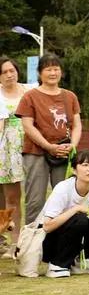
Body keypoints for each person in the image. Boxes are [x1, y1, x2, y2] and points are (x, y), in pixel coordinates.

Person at [16, 54, 82, 227]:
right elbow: (28, 126)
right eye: (48, 69)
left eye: (56, 69)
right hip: (36, 152)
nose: (53, 73)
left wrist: (72, 146)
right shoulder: (30, 96)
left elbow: (76, 124)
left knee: (64, 198)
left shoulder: (70, 96)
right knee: (35, 200)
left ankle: (61, 242)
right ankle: (31, 241)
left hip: (63, 153)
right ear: (39, 73)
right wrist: (48, 146)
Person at [40, 151, 89, 278]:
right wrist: (75, 209)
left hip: (75, 230)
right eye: (85, 165)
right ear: (74, 170)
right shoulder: (62, 189)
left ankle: (87, 261)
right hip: (49, 241)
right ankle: (57, 264)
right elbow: (47, 226)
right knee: (79, 219)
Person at [0, 57, 28, 253]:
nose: (9, 74)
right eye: (4, 72)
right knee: (12, 198)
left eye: (12, 70)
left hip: (31, 144)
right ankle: (15, 242)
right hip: (7, 149)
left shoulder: (29, 90)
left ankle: (33, 238)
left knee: (34, 195)